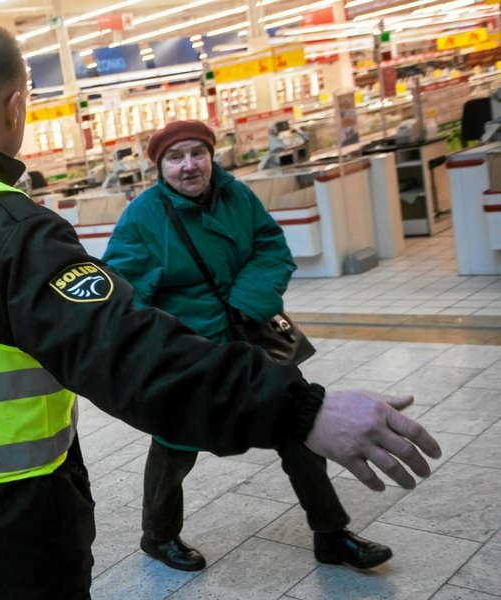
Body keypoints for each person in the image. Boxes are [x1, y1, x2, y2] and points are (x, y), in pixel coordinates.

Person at [0, 23, 441, 600]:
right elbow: (126, 351)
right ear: (16, 104)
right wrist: (302, 409)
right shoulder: (6, 227)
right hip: (14, 516)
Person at [103, 119, 393, 573]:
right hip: (194, 353)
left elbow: (270, 247)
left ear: (211, 156)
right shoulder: (144, 215)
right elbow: (123, 288)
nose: (188, 165)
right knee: (175, 444)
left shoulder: (238, 195)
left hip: (253, 339)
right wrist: (168, 338)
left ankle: (332, 534)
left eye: (197, 153)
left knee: (301, 430)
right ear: (159, 167)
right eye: (175, 157)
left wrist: (246, 301)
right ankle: (158, 536)